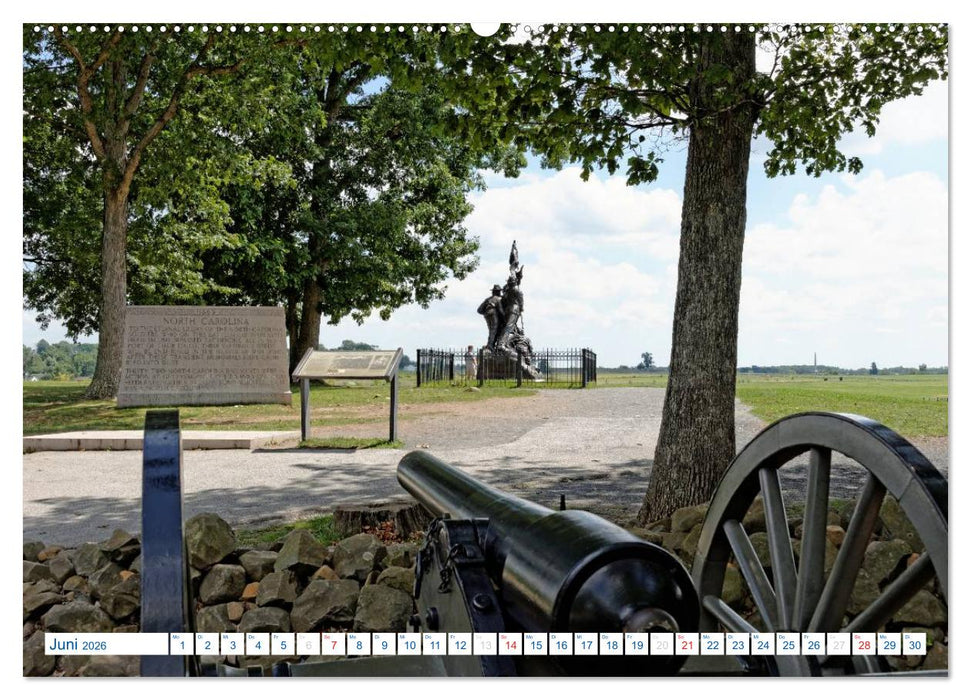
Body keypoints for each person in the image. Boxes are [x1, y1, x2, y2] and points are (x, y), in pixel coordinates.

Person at [477, 284, 505, 349]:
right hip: (493, 314)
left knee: (491, 330)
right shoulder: (498, 299)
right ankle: (490, 346)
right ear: (497, 292)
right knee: (493, 330)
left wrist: (486, 312)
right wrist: (504, 319)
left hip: (486, 315)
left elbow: (479, 310)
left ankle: (490, 344)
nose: (500, 293)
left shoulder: (487, 299)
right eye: (499, 291)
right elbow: (500, 310)